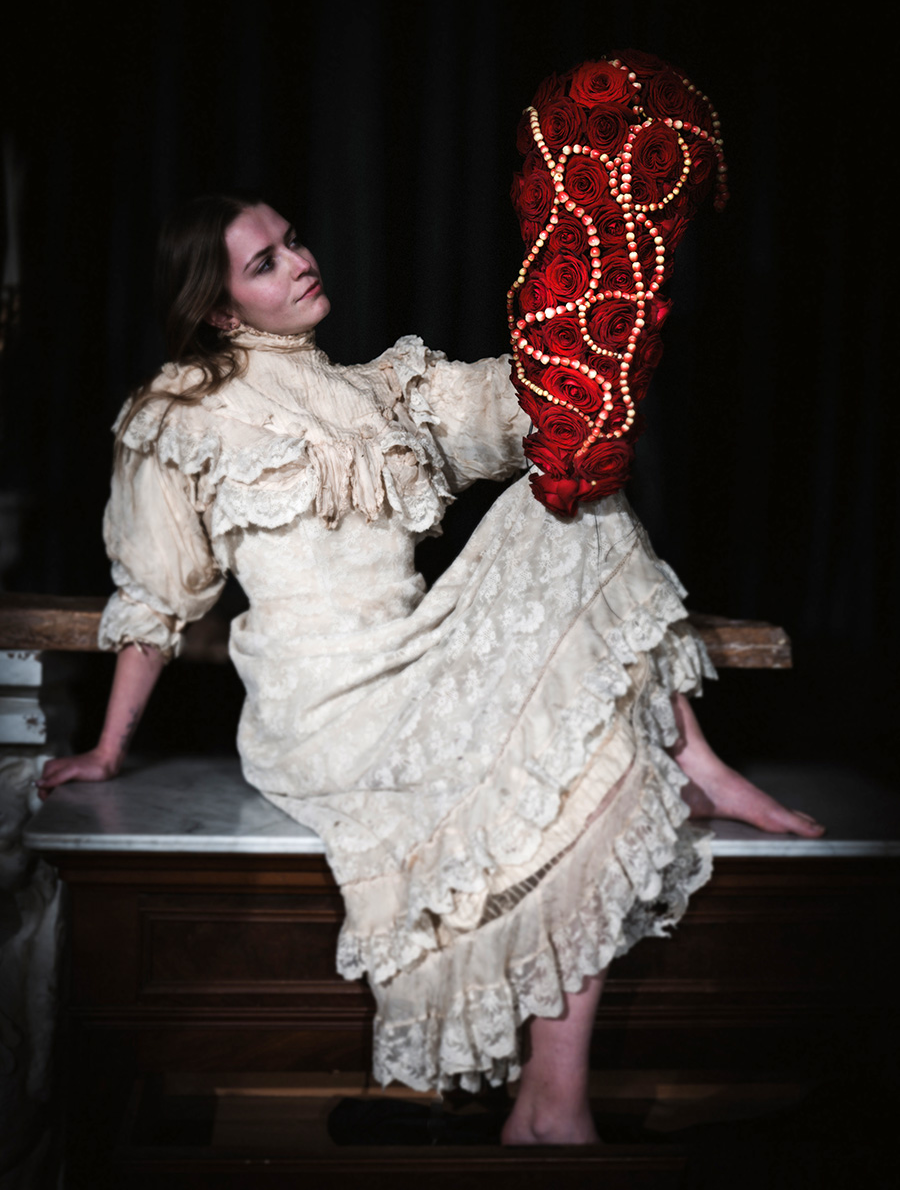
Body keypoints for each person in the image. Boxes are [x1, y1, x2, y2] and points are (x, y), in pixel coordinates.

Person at [37, 65, 823, 1148]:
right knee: (575, 757)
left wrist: (596, 277)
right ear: (220, 305)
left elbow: (532, 405)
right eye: (266, 262)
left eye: (294, 239)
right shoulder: (177, 415)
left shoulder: (386, 391)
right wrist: (106, 750)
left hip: (420, 657)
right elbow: (155, 596)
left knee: (578, 516)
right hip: (323, 710)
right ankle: (556, 1100)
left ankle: (557, 1100)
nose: (301, 260)